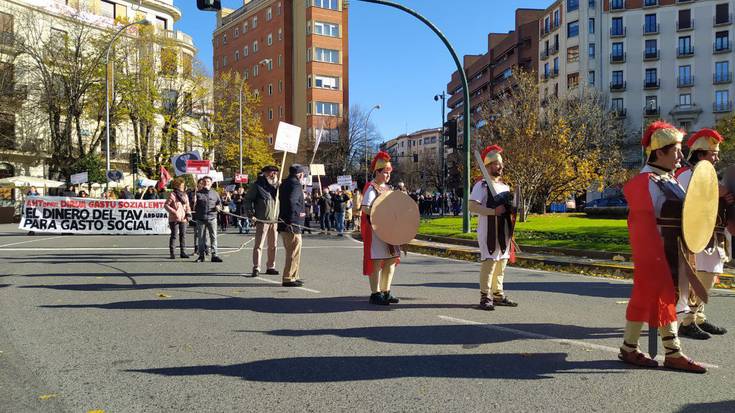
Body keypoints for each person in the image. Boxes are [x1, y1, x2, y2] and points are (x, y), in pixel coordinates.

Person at [618, 120, 706, 373]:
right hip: (656, 253)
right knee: (660, 298)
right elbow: (641, 225)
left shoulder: (669, 179)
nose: (681, 155)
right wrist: (654, 259)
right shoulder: (644, 182)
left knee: (649, 298)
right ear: (659, 152)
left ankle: (629, 347)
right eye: (675, 150)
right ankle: (672, 352)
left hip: (674, 251)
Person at [676, 128, 730, 340]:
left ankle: (697, 316)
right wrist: (718, 193)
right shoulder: (686, 175)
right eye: (712, 154)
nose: (717, 158)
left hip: (712, 235)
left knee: (709, 275)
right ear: (700, 154)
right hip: (695, 236)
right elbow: (690, 205)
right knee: (702, 277)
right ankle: (688, 322)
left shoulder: (707, 174)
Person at [469, 145, 518, 311]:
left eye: (501, 164)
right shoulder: (481, 186)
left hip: (503, 230)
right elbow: (472, 207)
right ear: (488, 165)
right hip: (488, 231)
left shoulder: (505, 187)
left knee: (502, 263)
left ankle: (498, 294)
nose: (501, 167)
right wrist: (492, 211)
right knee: (490, 262)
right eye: (497, 164)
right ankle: (485, 296)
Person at [362, 151, 401, 305]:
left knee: (391, 260)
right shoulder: (372, 188)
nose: (387, 175)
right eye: (385, 172)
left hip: (390, 231)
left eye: (389, 172)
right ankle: (375, 293)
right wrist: (380, 214)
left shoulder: (388, 188)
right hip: (377, 231)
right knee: (377, 262)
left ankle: (386, 291)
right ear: (377, 172)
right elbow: (365, 208)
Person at [244, 165, 280, 277]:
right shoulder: (258, 186)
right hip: (262, 220)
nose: (273, 174)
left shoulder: (278, 187)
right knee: (259, 245)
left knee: (273, 245)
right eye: (271, 172)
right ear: (264, 173)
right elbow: (248, 200)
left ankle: (271, 266)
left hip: (275, 221)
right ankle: (256, 267)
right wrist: (251, 214)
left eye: (275, 172)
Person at [278, 164, 307, 287]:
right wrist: (291, 220)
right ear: (299, 174)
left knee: (293, 250)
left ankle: (294, 275)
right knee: (293, 251)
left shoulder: (285, 183)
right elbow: (292, 201)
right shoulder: (295, 184)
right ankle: (288, 278)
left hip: (286, 221)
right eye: (303, 174)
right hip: (291, 223)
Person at [193, 176, 223, 263]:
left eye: (208, 181)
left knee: (213, 237)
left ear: (211, 183)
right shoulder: (198, 193)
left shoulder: (215, 193)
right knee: (201, 238)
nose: (206, 183)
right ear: (202, 183)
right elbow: (193, 207)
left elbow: (219, 203)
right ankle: (201, 256)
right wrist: (194, 201)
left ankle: (214, 255)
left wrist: (218, 207)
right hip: (201, 218)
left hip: (212, 218)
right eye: (205, 181)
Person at [164, 178, 191, 259]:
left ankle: (183, 252)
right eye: (181, 185)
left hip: (183, 218)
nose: (183, 187)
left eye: (183, 185)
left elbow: (187, 206)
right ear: (176, 186)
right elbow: (166, 205)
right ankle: (172, 253)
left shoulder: (185, 195)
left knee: (183, 235)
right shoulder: (172, 194)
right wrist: (174, 212)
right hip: (174, 218)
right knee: (174, 235)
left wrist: (188, 213)